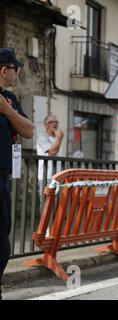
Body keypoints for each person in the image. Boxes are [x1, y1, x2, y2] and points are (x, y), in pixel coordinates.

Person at [0, 48, 34, 300]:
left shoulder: (10, 99)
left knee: (2, 238)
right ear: (4, 70)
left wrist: (7, 111)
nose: (17, 73)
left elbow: (29, 130)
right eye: (15, 68)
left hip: (3, 179)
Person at [36, 114, 64, 203]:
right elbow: (52, 152)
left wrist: (58, 139)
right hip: (47, 176)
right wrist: (59, 138)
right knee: (47, 205)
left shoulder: (56, 140)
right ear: (46, 125)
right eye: (51, 122)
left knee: (58, 206)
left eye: (56, 122)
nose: (54, 124)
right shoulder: (42, 138)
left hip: (58, 177)